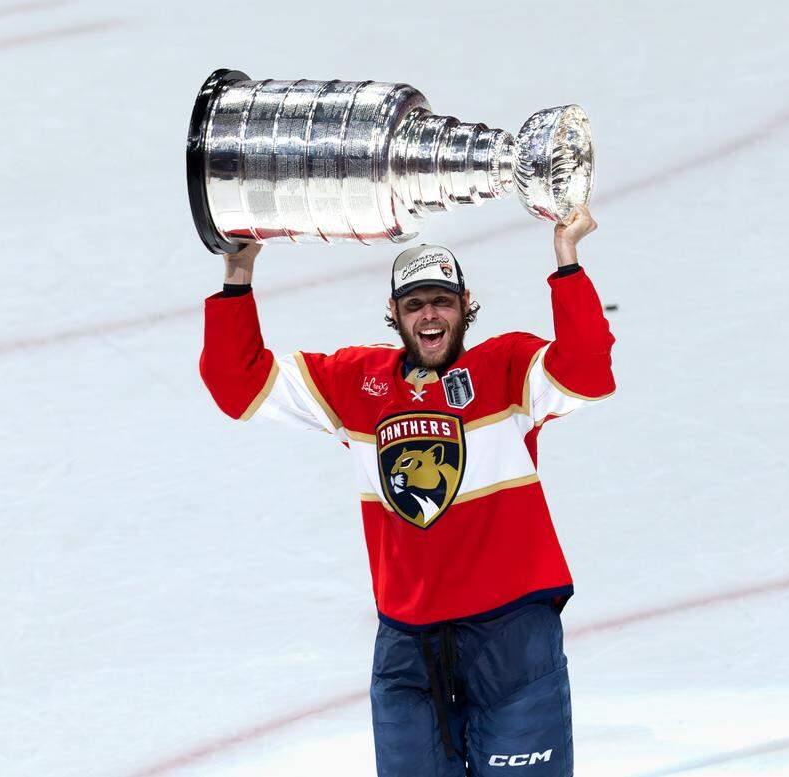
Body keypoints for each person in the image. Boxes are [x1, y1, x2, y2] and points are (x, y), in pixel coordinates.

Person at [199, 204, 615, 776]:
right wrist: (237, 276)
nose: (430, 314)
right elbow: (236, 385)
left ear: (466, 306)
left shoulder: (507, 369)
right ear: (393, 313)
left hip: (511, 633)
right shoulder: (355, 383)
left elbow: (589, 370)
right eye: (415, 303)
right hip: (407, 643)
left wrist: (568, 262)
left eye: (442, 300)